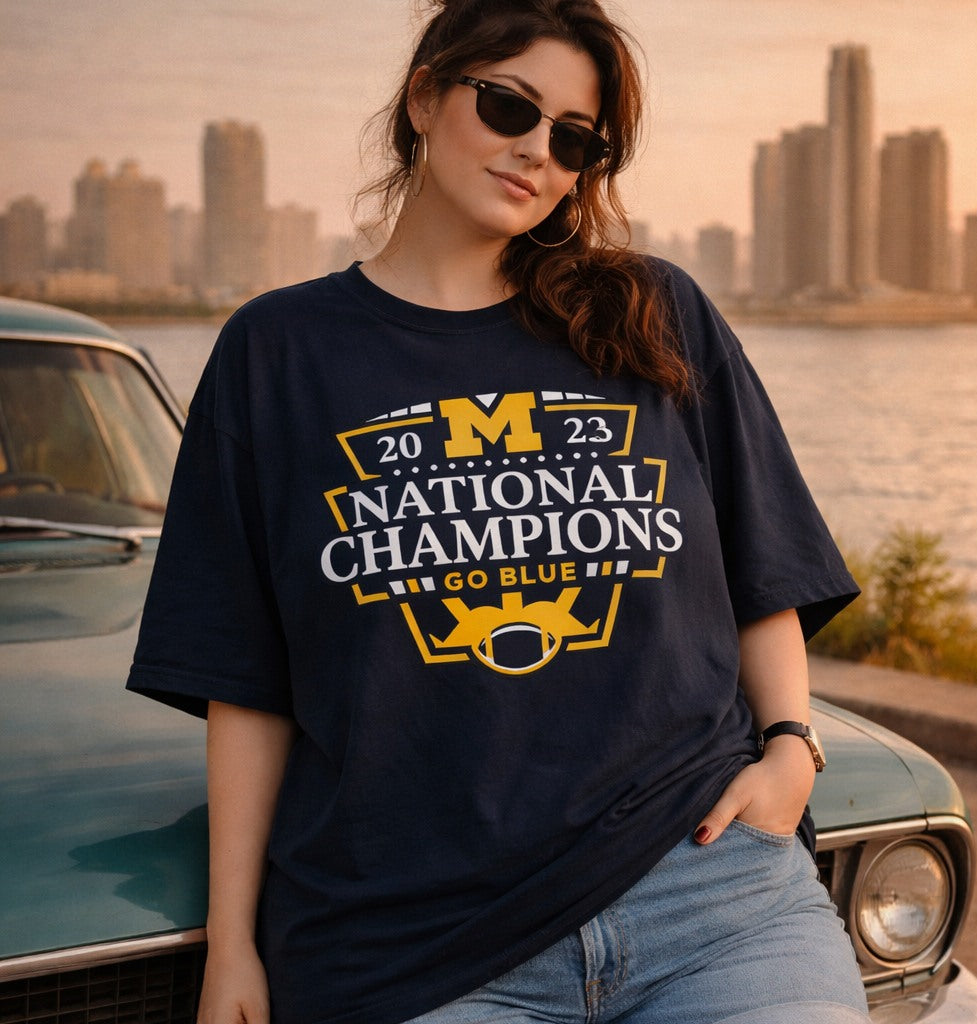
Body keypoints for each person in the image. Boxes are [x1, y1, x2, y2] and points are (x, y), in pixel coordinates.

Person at [127, 2, 870, 1022]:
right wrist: (232, 945)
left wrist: (790, 743)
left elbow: (763, 564)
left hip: (709, 897)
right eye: (509, 106)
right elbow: (243, 680)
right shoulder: (279, 352)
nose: (536, 150)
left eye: (574, 138)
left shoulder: (651, 314)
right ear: (427, 97)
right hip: (409, 944)